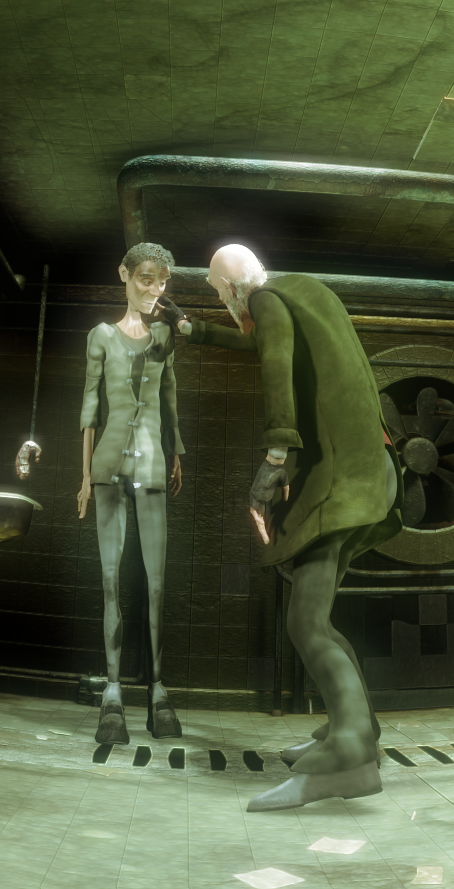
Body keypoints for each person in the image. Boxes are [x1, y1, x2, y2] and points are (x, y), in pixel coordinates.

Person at [175, 244, 402, 812]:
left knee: (305, 621)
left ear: (233, 288)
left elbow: (274, 362)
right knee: (318, 617)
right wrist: (194, 331)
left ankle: (349, 757)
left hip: (340, 482)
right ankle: (359, 726)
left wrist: (274, 457)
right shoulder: (304, 293)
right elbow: (265, 341)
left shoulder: (265, 301)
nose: (221, 303)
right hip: (373, 473)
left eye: (217, 293)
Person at [78, 243, 186, 745]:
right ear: (124, 274)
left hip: (152, 465)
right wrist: (83, 476)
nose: (154, 289)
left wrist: (176, 451)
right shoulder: (101, 335)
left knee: (157, 584)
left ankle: (158, 690)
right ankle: (113, 691)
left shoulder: (164, 336)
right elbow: (90, 405)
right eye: (146, 279)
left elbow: (169, 397)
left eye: (162, 282)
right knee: (110, 580)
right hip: (107, 466)